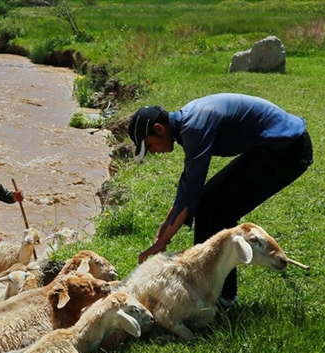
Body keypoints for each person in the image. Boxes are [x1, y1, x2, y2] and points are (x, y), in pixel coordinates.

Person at [128, 93, 313, 306]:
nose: (153, 152)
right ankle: (206, 287)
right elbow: (187, 189)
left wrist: (161, 243)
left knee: (215, 210)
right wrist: (162, 235)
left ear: (159, 129)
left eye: (149, 146)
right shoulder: (188, 123)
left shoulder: (195, 128)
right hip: (269, 148)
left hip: (288, 152)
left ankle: (220, 296)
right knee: (210, 203)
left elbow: (191, 195)